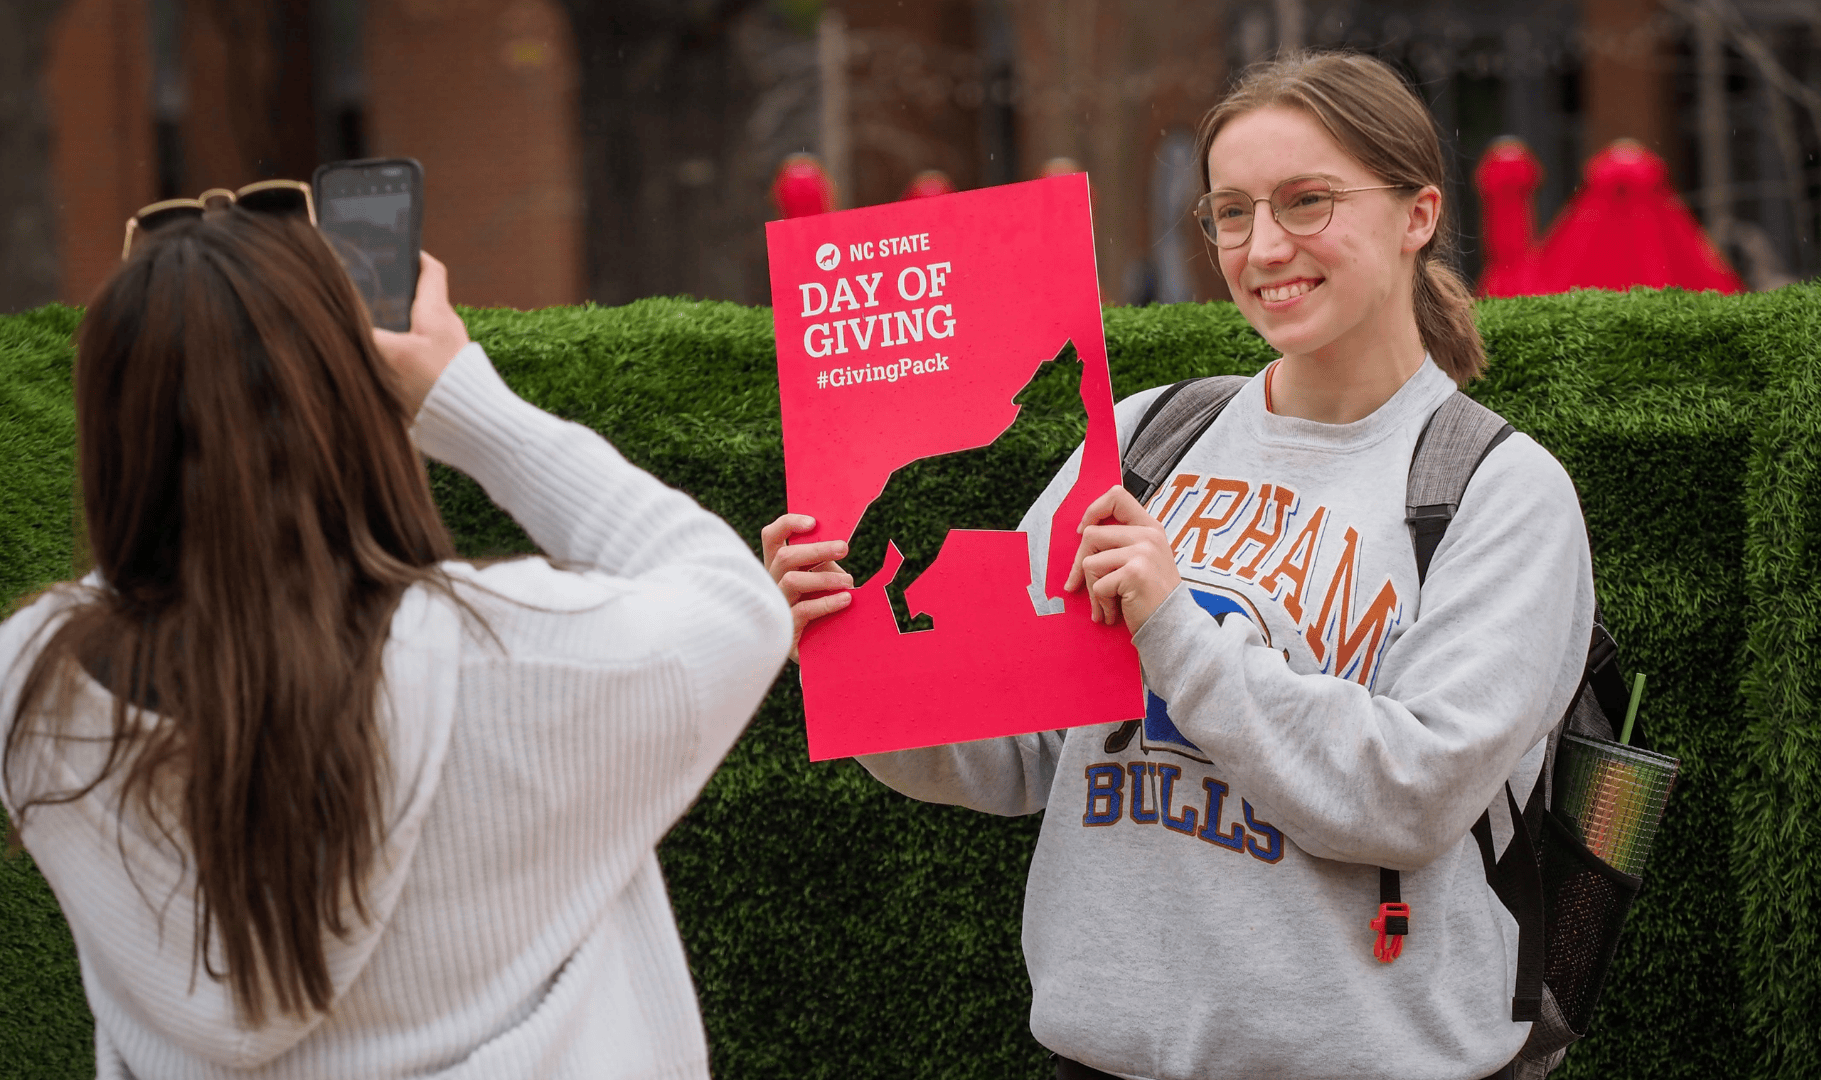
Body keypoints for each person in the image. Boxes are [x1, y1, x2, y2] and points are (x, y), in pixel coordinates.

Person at [762, 51, 1594, 1080]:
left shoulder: (1499, 490)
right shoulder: (1147, 436)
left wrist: (1173, 627)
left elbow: (1410, 796)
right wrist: (854, 647)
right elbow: (1019, 756)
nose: (1264, 246)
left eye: (1307, 202)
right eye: (1231, 212)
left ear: (1418, 213)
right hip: (1105, 1059)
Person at [1, 198, 789, 1078]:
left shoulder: (35, 689)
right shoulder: (524, 657)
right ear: (352, 404)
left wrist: (176, 349)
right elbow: (734, 599)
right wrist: (463, 399)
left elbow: (139, 578)